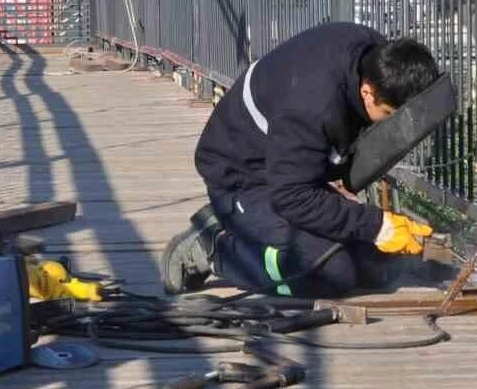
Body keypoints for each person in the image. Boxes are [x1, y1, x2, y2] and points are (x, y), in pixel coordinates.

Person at [161, 22, 440, 298]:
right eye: (390, 114)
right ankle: (213, 247)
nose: (392, 124)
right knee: (330, 271)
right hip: (242, 176)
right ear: (367, 92)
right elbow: (292, 196)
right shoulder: (312, 106)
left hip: (289, 167)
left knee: (374, 266)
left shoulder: (374, 55)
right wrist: (377, 225)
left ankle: (240, 225)